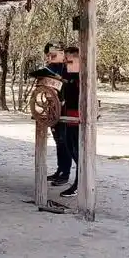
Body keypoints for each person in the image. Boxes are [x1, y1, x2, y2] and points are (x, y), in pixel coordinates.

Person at [42, 43, 72, 186]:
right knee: (58, 140)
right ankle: (60, 170)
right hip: (52, 109)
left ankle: (65, 173)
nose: (51, 57)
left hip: (65, 109)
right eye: (49, 55)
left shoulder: (68, 67)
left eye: (54, 54)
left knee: (64, 141)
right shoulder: (49, 68)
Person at [60, 46, 82, 198]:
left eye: (70, 61)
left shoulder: (83, 77)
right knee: (70, 147)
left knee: (77, 151)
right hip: (69, 115)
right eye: (65, 61)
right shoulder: (68, 74)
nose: (67, 64)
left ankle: (79, 184)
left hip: (78, 117)